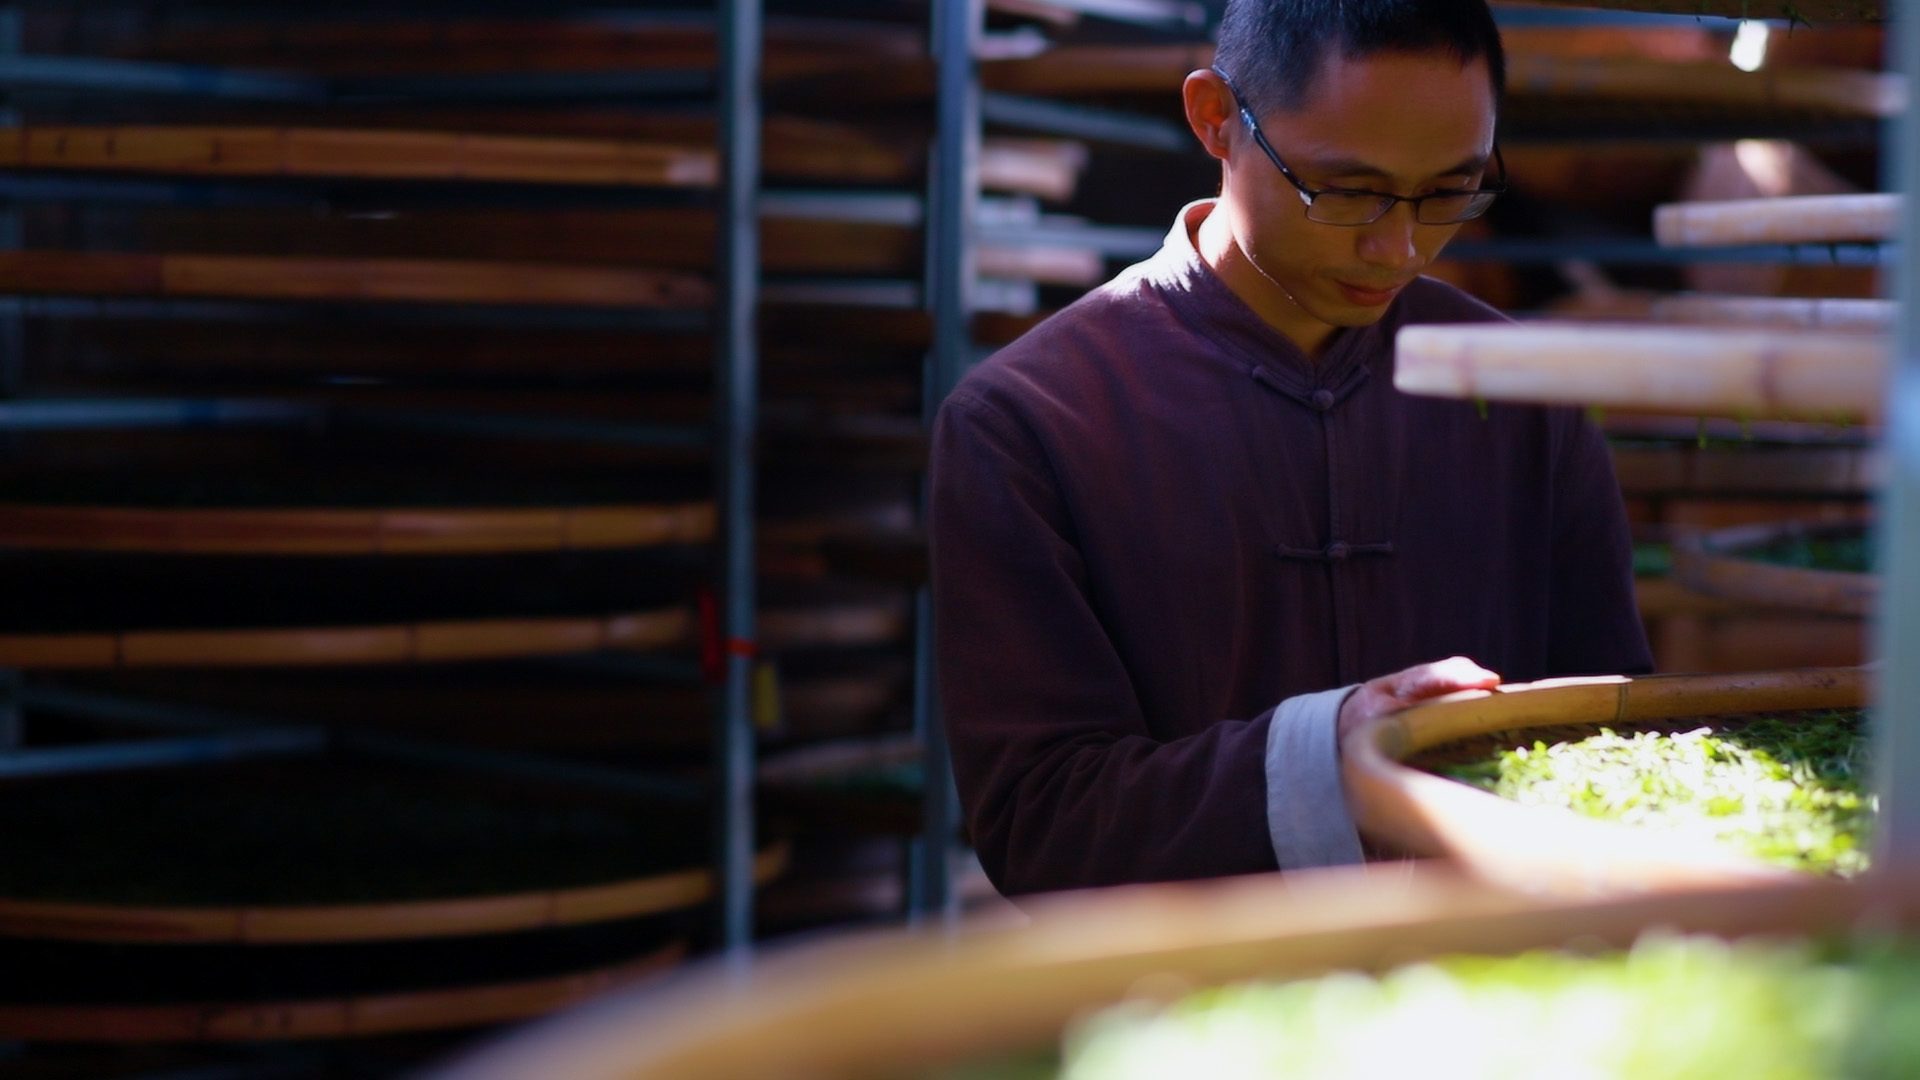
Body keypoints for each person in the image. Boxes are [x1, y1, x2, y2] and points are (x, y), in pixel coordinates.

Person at [927, 0, 1655, 898]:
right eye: (1346, 191)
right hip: (1193, 1014)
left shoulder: (1521, 389)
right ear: (1215, 119)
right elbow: (1043, 825)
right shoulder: (1029, 419)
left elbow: (1618, 752)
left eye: (1449, 192)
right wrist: (1328, 752)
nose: (1400, 248)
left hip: (1501, 994)